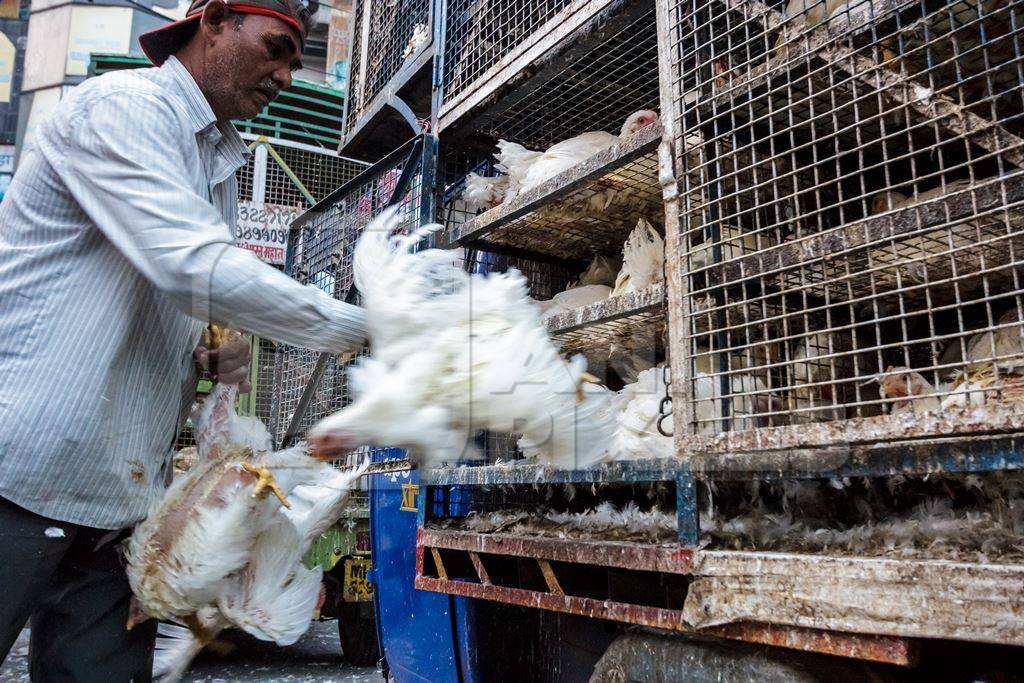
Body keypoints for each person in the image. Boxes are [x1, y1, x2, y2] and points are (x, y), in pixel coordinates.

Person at [0, 0, 366, 678]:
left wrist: (217, 351)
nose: (286, 74)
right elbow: (188, 264)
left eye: (295, 57)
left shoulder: (217, 165)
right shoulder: (122, 108)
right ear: (218, 20)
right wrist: (355, 324)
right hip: (21, 471)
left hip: (120, 501)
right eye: (277, 46)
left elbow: (193, 294)